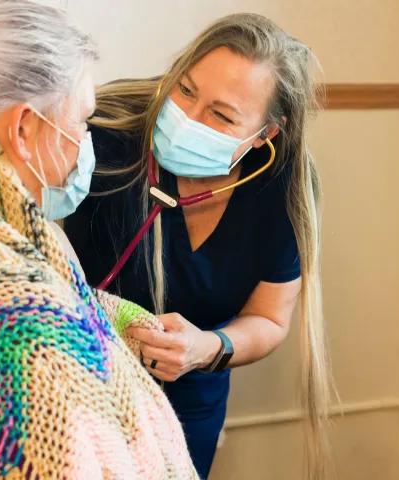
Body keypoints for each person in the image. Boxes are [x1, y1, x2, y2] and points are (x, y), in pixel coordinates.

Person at [66, 12, 331, 479]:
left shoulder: (280, 191)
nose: (186, 118)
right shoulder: (106, 133)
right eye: (186, 90)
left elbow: (269, 319)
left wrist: (205, 347)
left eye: (222, 115)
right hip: (79, 378)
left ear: (265, 134)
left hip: (189, 396)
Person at [0, 1, 197, 478]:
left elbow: (63, 297)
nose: (85, 142)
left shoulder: (7, 230)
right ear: (25, 130)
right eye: (81, 120)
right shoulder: (16, 334)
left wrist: (115, 315)